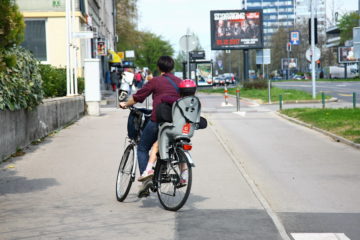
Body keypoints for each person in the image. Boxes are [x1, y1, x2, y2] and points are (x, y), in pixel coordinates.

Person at [119, 56, 182, 195]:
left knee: (142, 148)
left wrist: (125, 104)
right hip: (177, 122)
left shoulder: (156, 81)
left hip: (158, 119)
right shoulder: (180, 82)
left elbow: (138, 97)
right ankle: (163, 167)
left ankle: (146, 179)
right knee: (164, 143)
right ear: (172, 67)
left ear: (159, 68)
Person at [137, 79, 197, 183]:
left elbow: (165, 98)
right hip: (187, 132)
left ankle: (148, 170)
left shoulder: (177, 101)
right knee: (181, 149)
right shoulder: (195, 104)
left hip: (173, 131)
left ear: (180, 91)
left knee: (156, 145)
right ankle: (184, 174)